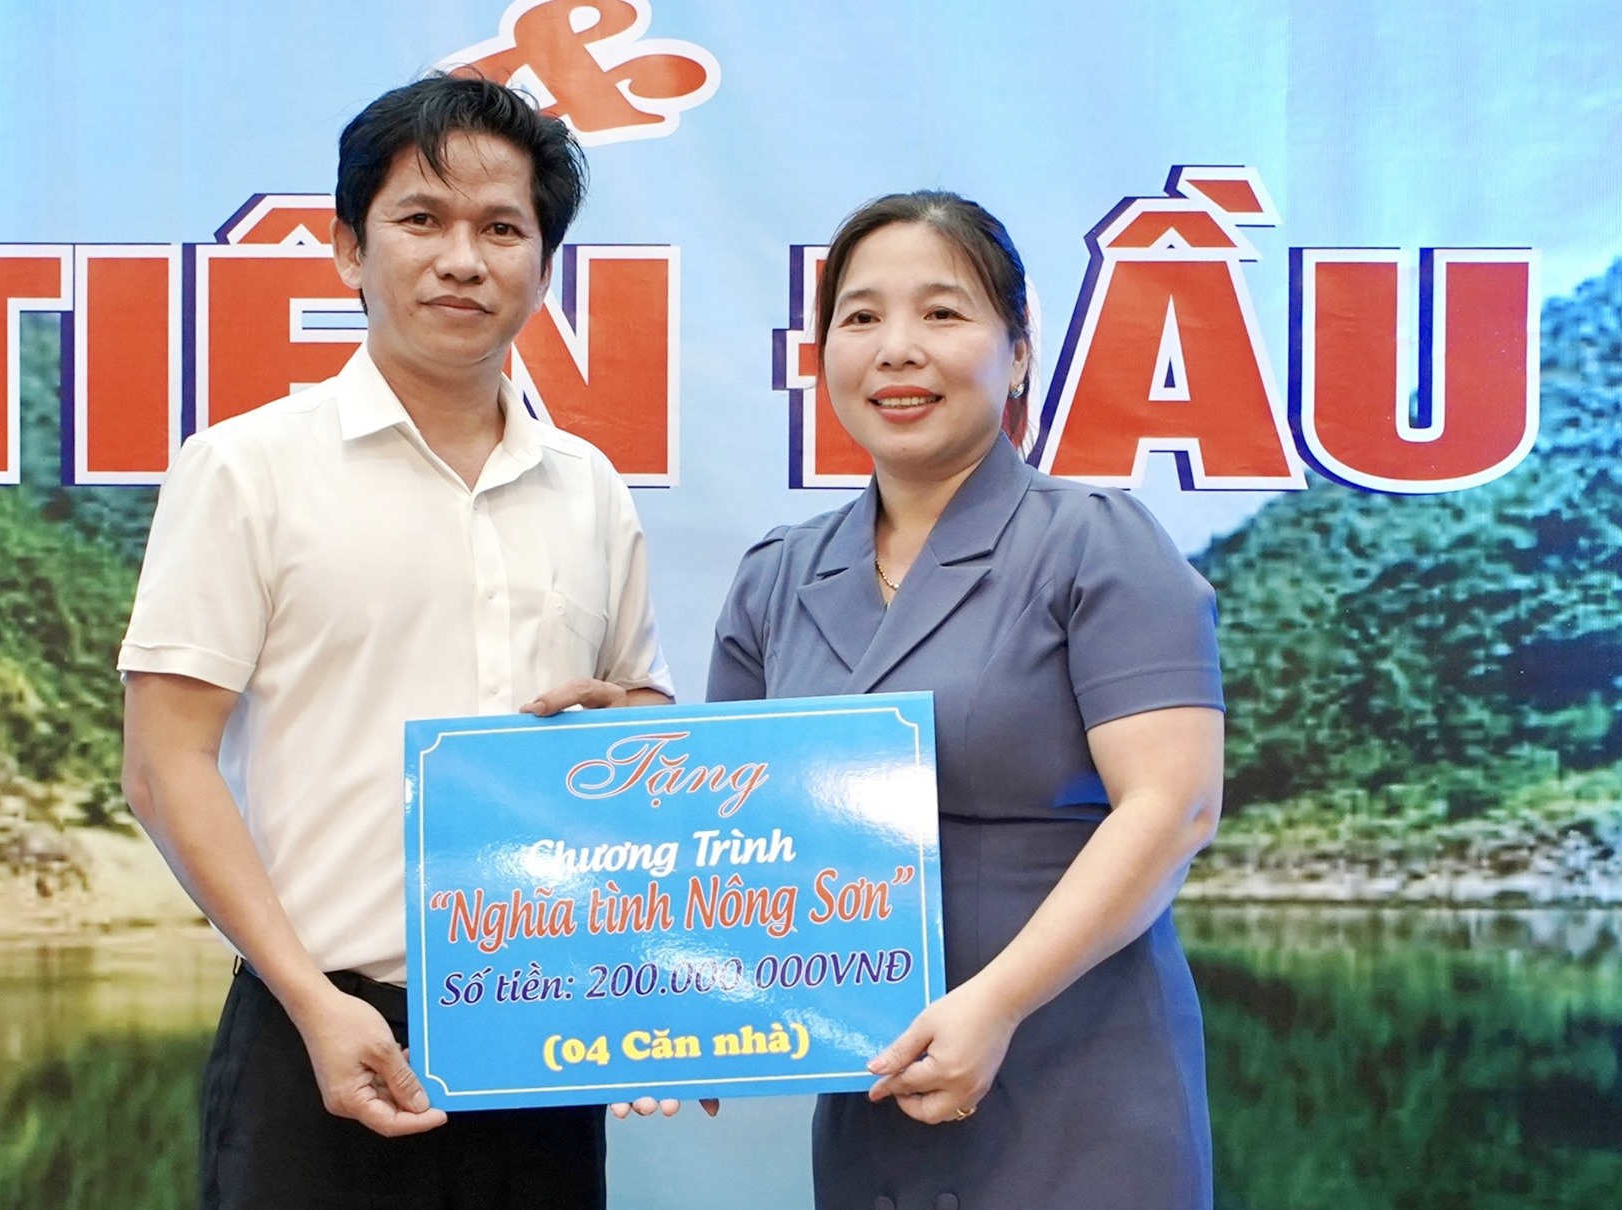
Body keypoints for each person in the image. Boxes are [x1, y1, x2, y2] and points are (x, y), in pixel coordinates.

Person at [117, 74, 673, 1210]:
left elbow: (645, 738)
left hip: (542, 1046)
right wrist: (314, 1002)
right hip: (314, 1027)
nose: (461, 259)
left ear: (541, 262)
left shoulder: (590, 489)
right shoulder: (246, 467)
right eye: (421, 220)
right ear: (346, 250)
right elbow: (163, 765)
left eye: (500, 228)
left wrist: (634, 736)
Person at [707, 191, 1225, 1209]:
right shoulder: (775, 578)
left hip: (1077, 1078)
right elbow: (727, 837)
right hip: (872, 1099)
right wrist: (674, 1013)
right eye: (860, 319)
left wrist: (993, 1003)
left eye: (942, 314)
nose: (897, 349)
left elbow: (1174, 806)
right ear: (821, 358)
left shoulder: (1095, 541)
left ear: (1019, 351)